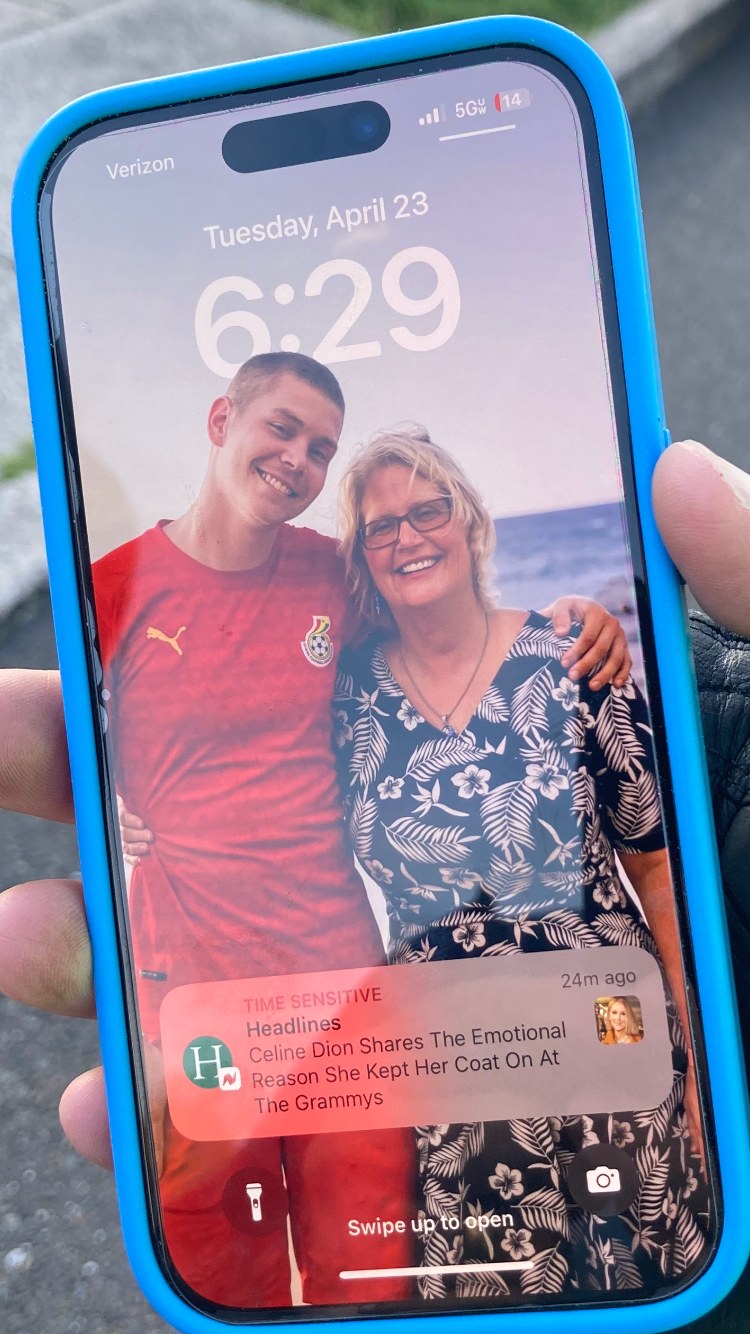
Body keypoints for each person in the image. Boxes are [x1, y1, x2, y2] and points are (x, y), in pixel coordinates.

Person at [85, 350, 628, 1308]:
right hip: (194, 980)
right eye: (281, 428)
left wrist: (579, 618)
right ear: (222, 421)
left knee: (370, 1261)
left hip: (347, 979)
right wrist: (114, 808)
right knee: (209, 1234)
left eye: (320, 446)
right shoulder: (113, 588)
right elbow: (84, 744)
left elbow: (438, 621)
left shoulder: (333, 571)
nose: (298, 458)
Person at [332, 426, 708, 1298]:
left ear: (471, 523)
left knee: (649, 1281)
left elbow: (654, 868)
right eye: (379, 528)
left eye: (428, 509)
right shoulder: (345, 698)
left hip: (611, 1033)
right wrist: (142, 822)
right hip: (453, 1068)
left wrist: (695, 1048)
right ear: (361, 558)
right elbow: (252, 786)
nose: (408, 536)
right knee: (491, 1296)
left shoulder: (574, 655)